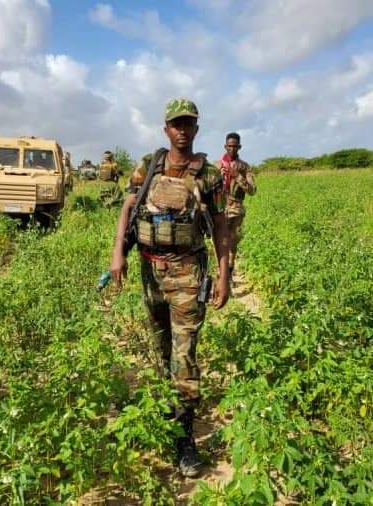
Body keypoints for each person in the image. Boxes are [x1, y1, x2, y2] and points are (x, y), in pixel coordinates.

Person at [109, 98, 230, 478]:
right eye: (175, 123)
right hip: (150, 271)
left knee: (185, 353)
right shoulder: (149, 166)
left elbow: (222, 228)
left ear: (196, 129)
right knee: (160, 346)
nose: (181, 129)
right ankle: (166, 408)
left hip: (187, 273)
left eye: (188, 123)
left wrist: (225, 274)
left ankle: (184, 437)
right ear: (166, 129)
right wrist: (118, 254)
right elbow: (128, 208)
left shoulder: (209, 175)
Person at [217, 132, 256, 278]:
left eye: (235, 146)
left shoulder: (244, 167)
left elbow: (252, 190)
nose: (232, 149)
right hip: (220, 208)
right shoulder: (217, 164)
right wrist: (218, 178)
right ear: (225, 146)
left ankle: (230, 274)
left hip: (237, 210)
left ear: (239, 147)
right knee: (221, 242)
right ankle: (221, 275)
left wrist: (237, 176)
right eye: (229, 146)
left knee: (233, 242)